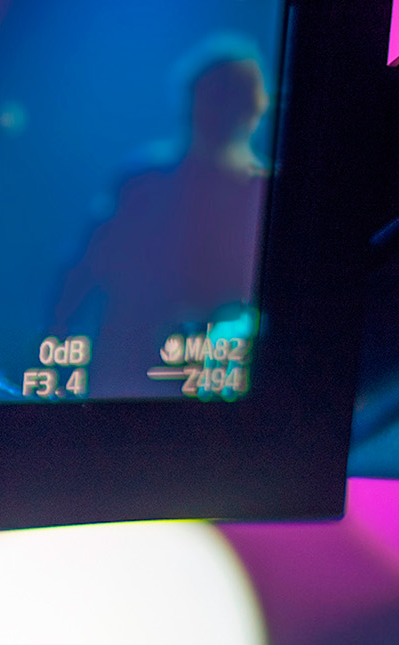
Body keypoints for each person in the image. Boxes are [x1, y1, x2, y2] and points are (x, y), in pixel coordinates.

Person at [47, 41, 270, 395]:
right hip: (123, 382)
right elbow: (84, 267)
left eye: (227, 98)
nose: (214, 111)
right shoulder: (142, 183)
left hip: (216, 393)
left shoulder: (261, 193)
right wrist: (54, 338)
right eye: (209, 97)